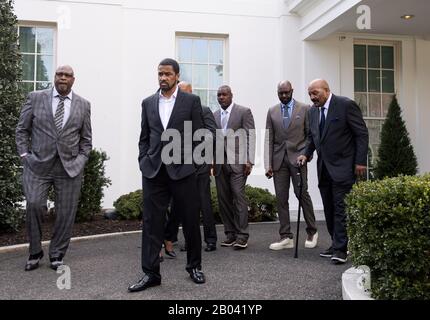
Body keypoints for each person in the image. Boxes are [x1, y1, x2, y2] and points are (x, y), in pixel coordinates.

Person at [128, 58, 205, 292]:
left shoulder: (191, 101)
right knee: (152, 224)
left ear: (177, 76)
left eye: (168, 74)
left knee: (190, 220)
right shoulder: (148, 102)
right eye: (160, 74)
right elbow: (144, 136)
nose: (163, 78)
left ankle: (194, 266)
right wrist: (144, 160)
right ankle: (151, 273)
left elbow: (199, 136)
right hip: (154, 171)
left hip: (182, 170)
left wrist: (190, 162)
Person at [16, 65, 92, 271]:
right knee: (34, 204)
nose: (63, 78)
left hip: (69, 168)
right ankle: (34, 251)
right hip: (37, 165)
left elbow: (86, 141)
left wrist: (81, 159)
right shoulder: (35, 98)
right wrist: (24, 155)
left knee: (66, 213)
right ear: (55, 77)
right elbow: (22, 129)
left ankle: (57, 254)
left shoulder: (83, 105)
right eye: (59, 74)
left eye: (67, 75)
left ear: (73, 80)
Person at [297, 79, 368, 264]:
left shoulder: (345, 105)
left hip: (344, 167)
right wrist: (305, 154)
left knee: (340, 209)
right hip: (324, 169)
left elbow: (361, 133)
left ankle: (341, 249)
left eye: (316, 93)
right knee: (328, 208)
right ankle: (335, 243)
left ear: (327, 90)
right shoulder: (312, 112)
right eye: (310, 94)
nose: (312, 97)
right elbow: (312, 138)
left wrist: (360, 161)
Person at [265, 80, 318, 250]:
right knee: (281, 198)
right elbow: (269, 139)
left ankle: (312, 231)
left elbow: (310, 135)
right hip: (278, 161)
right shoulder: (272, 111)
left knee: (301, 194)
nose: (284, 96)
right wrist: (268, 164)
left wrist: (306, 155)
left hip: (298, 159)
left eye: (286, 92)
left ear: (292, 91)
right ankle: (286, 236)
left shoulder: (305, 109)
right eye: (280, 93)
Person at [175, 81, 218, 252]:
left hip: (200, 164)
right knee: (186, 205)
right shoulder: (177, 111)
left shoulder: (205, 110)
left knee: (204, 203)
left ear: (192, 93)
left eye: (184, 93)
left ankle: (211, 240)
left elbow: (212, 135)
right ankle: (190, 241)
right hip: (182, 164)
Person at [213, 85, 255, 250]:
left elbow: (250, 135)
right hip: (219, 163)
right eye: (219, 95)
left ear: (231, 95)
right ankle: (230, 234)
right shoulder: (215, 115)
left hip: (238, 163)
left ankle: (242, 235)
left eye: (224, 94)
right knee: (223, 200)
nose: (221, 97)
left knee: (238, 197)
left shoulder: (244, 112)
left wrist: (249, 160)